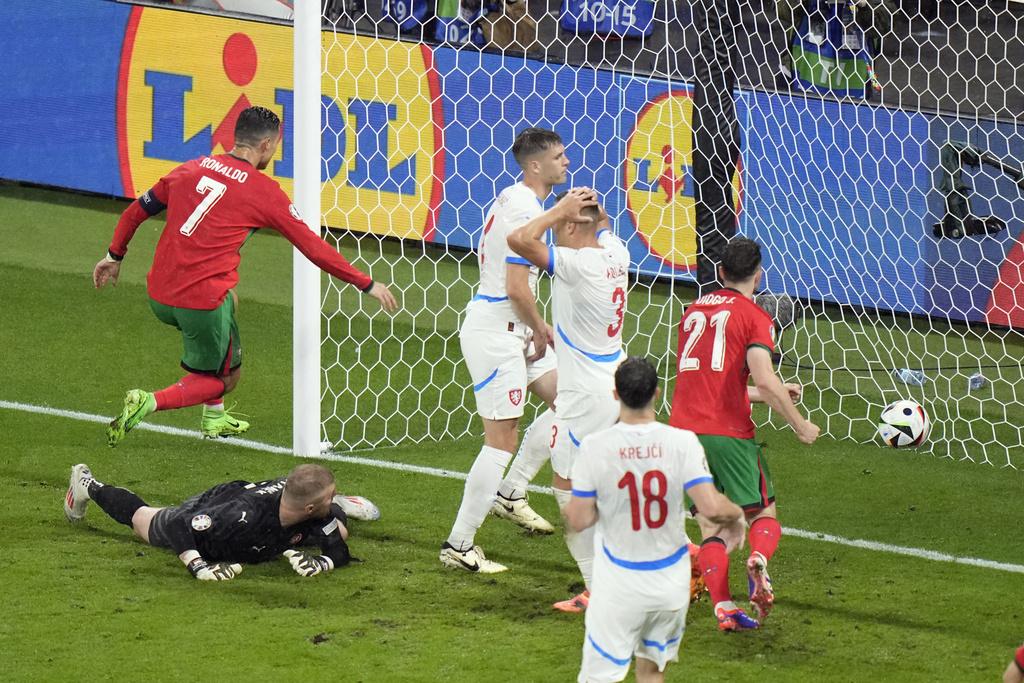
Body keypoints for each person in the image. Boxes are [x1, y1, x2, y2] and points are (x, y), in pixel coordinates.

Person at [93, 106, 398, 446]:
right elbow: (313, 247)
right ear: (266, 145)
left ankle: (214, 418)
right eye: (276, 145)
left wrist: (113, 257)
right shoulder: (263, 191)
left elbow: (135, 211)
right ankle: (148, 401)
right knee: (227, 378)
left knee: (231, 300)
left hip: (159, 295)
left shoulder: (191, 168)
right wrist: (366, 283)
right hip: (200, 303)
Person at [669, 236, 820, 632]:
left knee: (711, 527)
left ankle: (724, 606)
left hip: (683, 433)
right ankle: (758, 558)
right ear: (758, 275)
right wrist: (799, 424)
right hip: (729, 434)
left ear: (720, 271)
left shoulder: (693, 311)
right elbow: (765, 379)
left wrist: (767, 392)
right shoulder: (755, 317)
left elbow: (712, 379)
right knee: (762, 513)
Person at [565, 356, 744, 683]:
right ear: (656, 394)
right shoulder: (681, 442)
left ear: (615, 395)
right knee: (651, 673)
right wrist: (737, 516)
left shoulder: (595, 447)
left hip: (619, 585)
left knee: (599, 676)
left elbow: (578, 519)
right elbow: (711, 506)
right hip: (668, 586)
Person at [439, 128, 568, 574]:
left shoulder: (520, 200)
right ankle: (458, 545)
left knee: (572, 401)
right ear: (535, 165)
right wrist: (541, 326)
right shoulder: (525, 208)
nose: (566, 162)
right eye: (558, 156)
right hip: (496, 333)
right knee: (501, 441)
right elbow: (515, 285)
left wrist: (533, 329)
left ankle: (510, 493)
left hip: (515, 329)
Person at [507, 187, 630, 612]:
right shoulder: (616, 252)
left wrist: (559, 209)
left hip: (585, 398)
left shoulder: (577, 264)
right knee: (613, 484)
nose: (554, 231)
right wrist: (584, 209)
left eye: (560, 225)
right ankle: (671, 555)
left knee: (567, 490)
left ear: (574, 226)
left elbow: (519, 240)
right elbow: (604, 224)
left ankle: (598, 588)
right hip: (617, 384)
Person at [63, 461, 380, 580]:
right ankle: (87, 486)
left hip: (283, 521)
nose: (327, 505)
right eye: (329, 496)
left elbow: (338, 552)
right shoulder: (238, 516)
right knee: (146, 522)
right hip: (217, 507)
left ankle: (340, 503)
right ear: (310, 508)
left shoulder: (310, 511)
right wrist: (198, 566)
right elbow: (178, 526)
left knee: (338, 529)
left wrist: (323, 563)